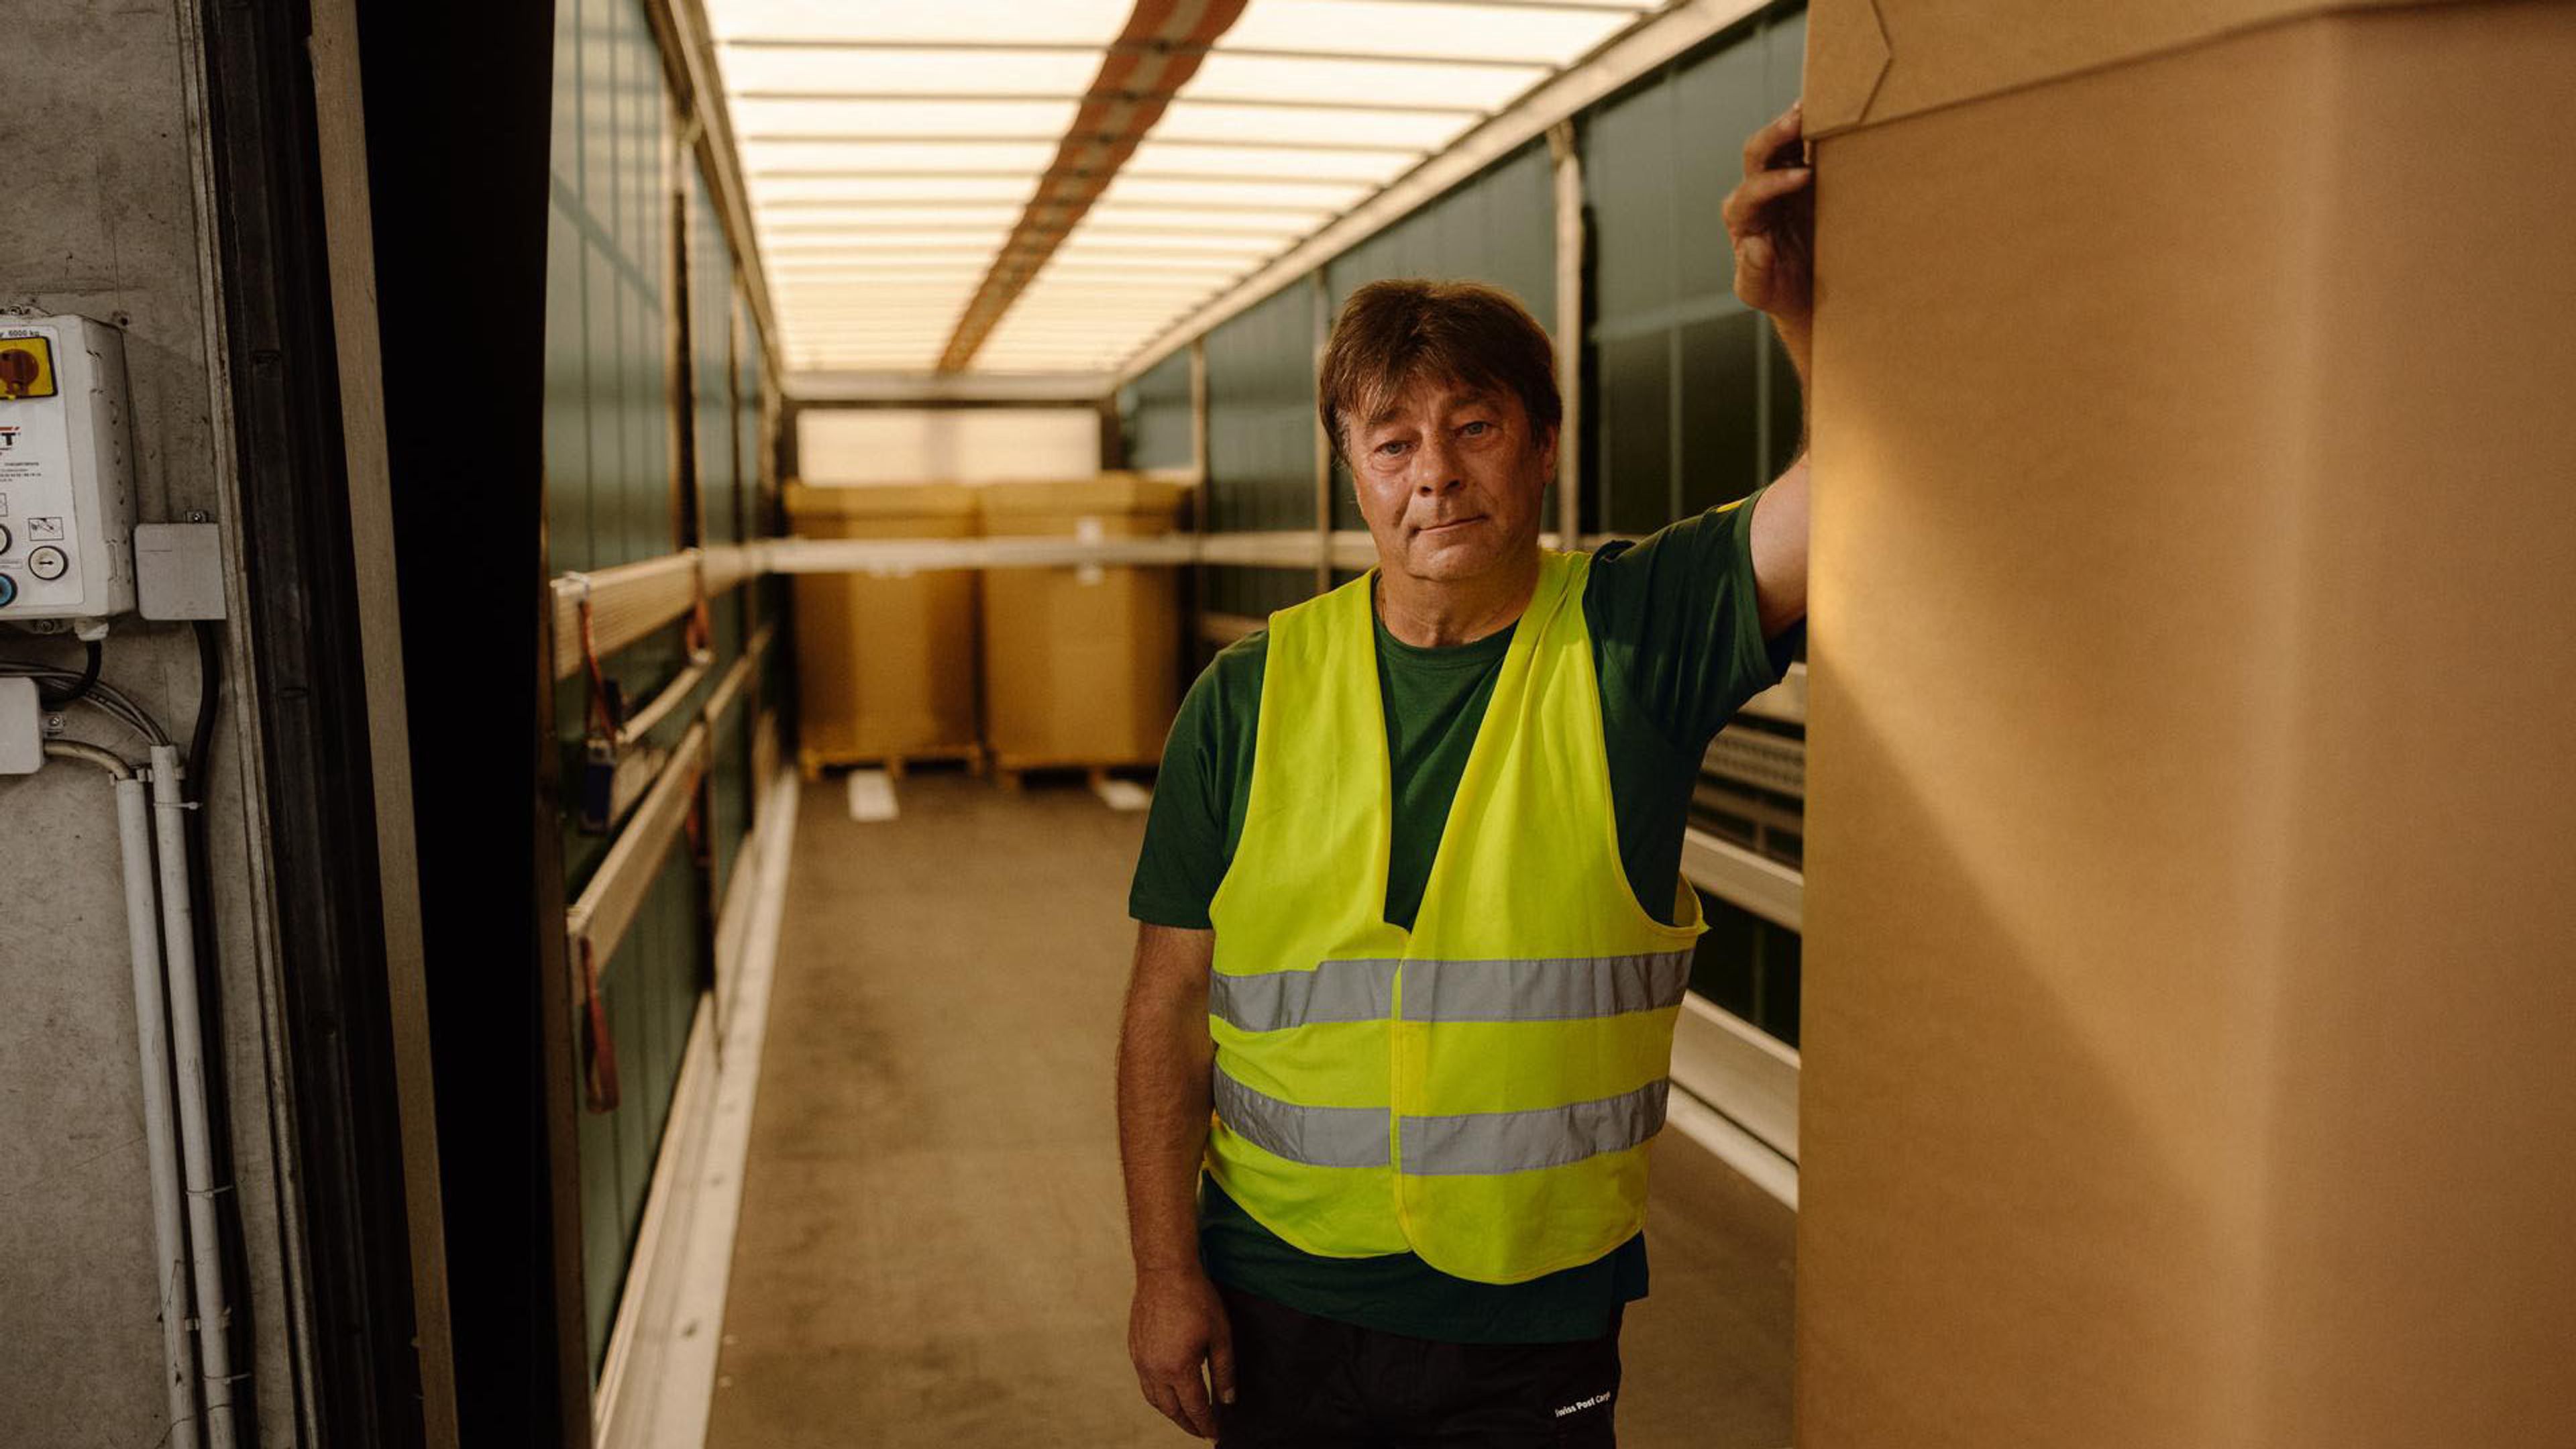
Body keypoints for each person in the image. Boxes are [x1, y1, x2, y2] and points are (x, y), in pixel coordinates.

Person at [1116, 101, 1816, 1446]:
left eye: (1475, 426)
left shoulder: (1635, 638)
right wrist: (1163, 1271)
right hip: (1276, 1296)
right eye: (1393, 441)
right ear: (1353, 471)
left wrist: (1796, 310)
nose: (1435, 474)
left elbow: (1856, 499)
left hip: (1526, 1321)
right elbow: (1171, 998)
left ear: (1544, 444)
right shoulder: (1247, 699)